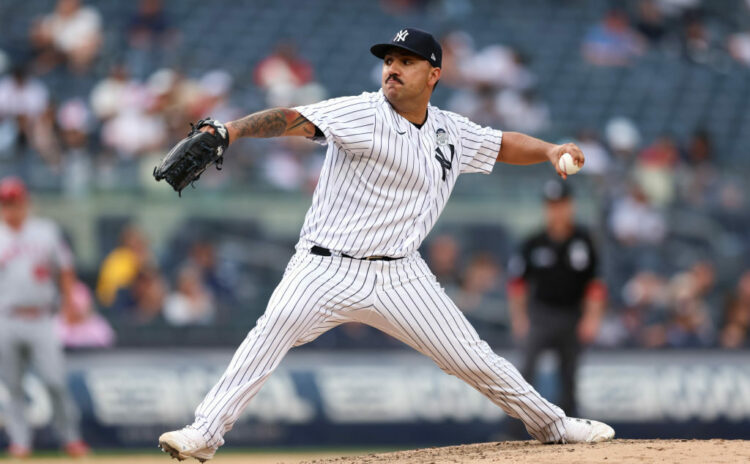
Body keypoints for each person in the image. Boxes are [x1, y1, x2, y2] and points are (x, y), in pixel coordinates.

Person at [158, 28, 615, 462]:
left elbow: (502, 145)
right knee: (269, 332)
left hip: (401, 274)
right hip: (325, 267)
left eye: (406, 61)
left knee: (473, 359)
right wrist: (230, 131)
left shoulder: (449, 131)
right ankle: (205, 432)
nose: (392, 68)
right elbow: (293, 119)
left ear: (434, 74)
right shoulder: (363, 113)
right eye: (389, 60)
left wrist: (551, 149)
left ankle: (553, 425)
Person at [0, 177, 89, 458]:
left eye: (15, 201)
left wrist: (70, 301)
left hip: (41, 317)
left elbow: (64, 269)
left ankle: (71, 438)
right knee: (12, 385)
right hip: (7, 317)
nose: (11, 208)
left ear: (26, 202)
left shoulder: (45, 231)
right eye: (6, 203)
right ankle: (20, 443)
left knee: (55, 380)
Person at [507, 180, 606, 418]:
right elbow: (517, 284)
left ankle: (570, 426)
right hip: (541, 315)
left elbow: (595, 284)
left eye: (561, 204)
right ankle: (515, 427)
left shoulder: (584, 240)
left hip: (572, 315)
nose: (556, 210)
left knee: (569, 374)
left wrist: (592, 318)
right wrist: (519, 318)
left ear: (571, 206)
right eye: (551, 205)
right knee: (526, 370)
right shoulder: (533, 242)